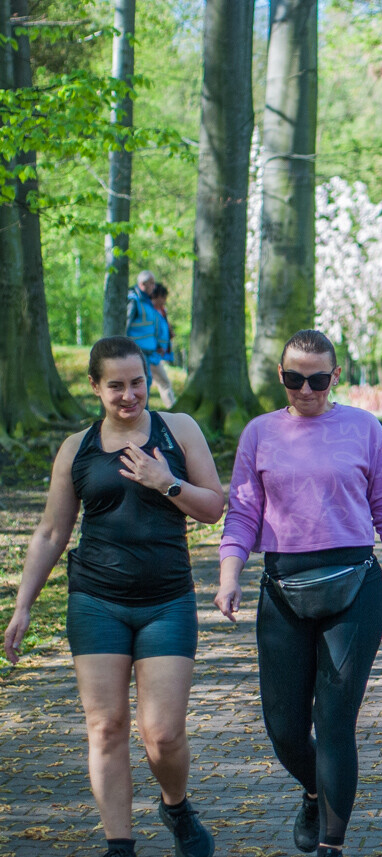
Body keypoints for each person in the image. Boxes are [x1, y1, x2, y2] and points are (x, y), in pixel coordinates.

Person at [3, 336, 225, 857]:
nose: (130, 395)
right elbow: (52, 533)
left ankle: (176, 806)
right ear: (95, 388)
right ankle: (118, 846)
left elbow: (214, 506)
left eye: (138, 383)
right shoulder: (76, 448)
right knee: (106, 727)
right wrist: (23, 603)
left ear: (148, 379)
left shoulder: (180, 430)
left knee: (163, 734)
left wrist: (165, 481)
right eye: (116, 386)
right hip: (96, 600)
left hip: (167, 600)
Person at [214, 329, 382, 857]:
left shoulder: (364, 428)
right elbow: (242, 512)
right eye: (292, 379)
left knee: (334, 724)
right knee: (284, 727)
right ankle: (313, 791)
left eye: (316, 379)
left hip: (355, 589)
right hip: (282, 589)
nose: (305, 390)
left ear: (335, 377)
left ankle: (333, 844)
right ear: (281, 377)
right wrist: (229, 574)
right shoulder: (259, 433)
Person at [126, 271, 166, 400]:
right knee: (142, 383)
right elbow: (126, 324)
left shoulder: (147, 302)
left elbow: (152, 326)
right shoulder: (134, 300)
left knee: (146, 383)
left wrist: (158, 345)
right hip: (137, 350)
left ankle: (144, 414)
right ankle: (141, 415)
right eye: (152, 283)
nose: (154, 287)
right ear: (143, 284)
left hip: (149, 351)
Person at [150, 283, 176, 409]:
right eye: (163, 297)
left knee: (161, 382)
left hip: (159, 351)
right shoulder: (150, 310)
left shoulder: (162, 310)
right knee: (163, 381)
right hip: (151, 353)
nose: (165, 301)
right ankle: (172, 407)